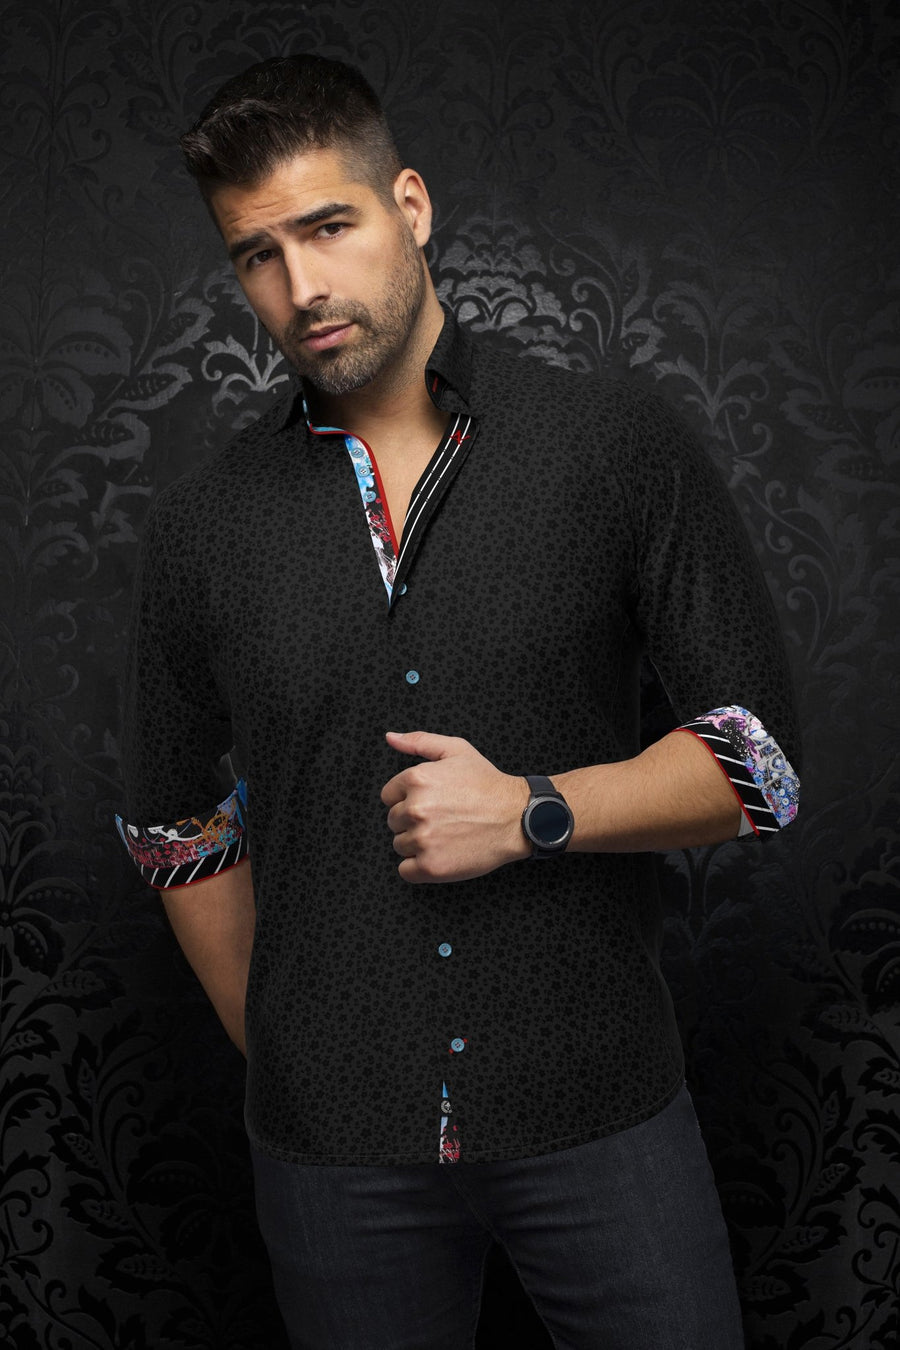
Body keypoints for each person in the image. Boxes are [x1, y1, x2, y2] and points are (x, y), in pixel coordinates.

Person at [117, 53, 800, 1350]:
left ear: (412, 206)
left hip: (599, 1106)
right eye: (258, 254)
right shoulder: (205, 525)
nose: (302, 287)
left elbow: (763, 764)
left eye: (329, 226)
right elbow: (170, 824)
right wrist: (296, 1043)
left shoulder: (613, 446)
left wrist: (535, 810)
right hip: (334, 1155)